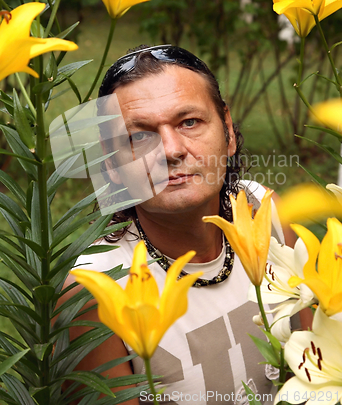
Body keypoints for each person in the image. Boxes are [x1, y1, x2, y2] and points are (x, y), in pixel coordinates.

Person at [64, 45, 295, 405]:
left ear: (228, 131)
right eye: (139, 136)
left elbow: (317, 364)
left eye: (189, 122)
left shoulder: (268, 212)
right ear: (110, 164)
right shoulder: (96, 289)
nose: (171, 149)